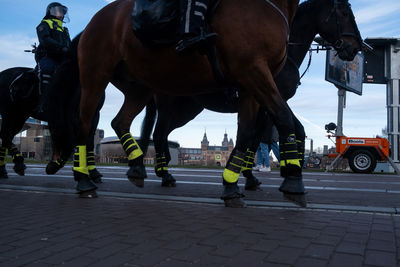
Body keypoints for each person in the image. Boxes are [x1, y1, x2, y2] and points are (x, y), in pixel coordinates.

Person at [35, 2, 71, 113]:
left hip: (63, 58)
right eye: (57, 10)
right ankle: (44, 103)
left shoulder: (64, 30)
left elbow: (70, 44)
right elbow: (45, 39)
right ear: (50, 12)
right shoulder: (44, 24)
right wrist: (61, 48)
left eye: (62, 11)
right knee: (47, 70)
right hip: (48, 55)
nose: (61, 14)